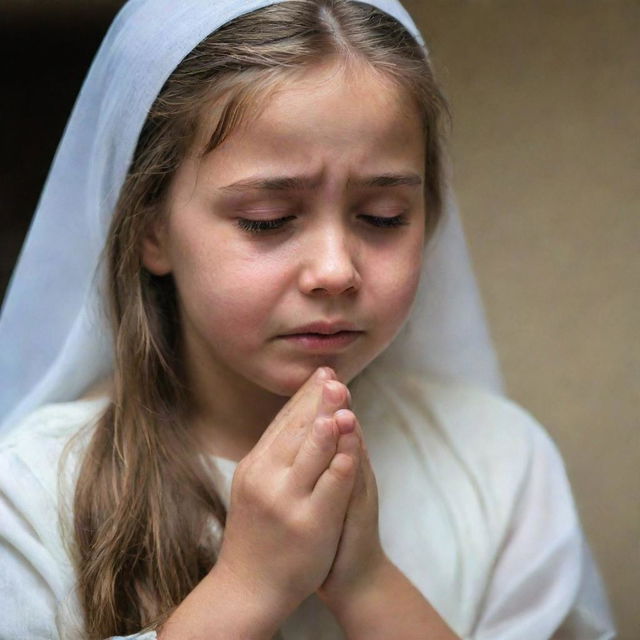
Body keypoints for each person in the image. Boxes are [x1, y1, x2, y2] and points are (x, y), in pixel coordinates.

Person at [0, 0, 616, 638]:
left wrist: (369, 583)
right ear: (152, 229)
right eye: (267, 219)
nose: (335, 270)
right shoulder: (30, 492)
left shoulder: (500, 462)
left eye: (382, 216)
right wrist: (249, 587)